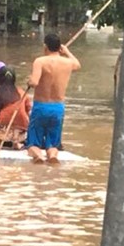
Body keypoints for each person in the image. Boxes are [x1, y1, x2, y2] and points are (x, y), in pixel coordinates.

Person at [26, 33, 81, 164]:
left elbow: (34, 82)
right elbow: (78, 64)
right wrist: (67, 52)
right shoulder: (68, 63)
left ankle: (37, 155)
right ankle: (52, 156)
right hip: (58, 108)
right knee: (53, 144)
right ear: (59, 47)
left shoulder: (40, 61)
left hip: (41, 106)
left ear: (45, 46)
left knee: (33, 143)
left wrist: (29, 81)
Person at [0, 65, 32, 150]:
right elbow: (28, 109)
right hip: (22, 134)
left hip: (3, 133)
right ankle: (16, 144)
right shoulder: (22, 92)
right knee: (23, 115)